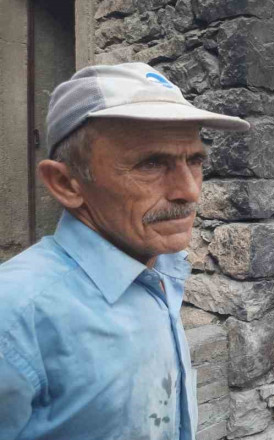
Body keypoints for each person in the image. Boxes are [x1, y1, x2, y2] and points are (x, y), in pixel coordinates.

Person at [0, 63, 249, 439]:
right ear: (66, 183)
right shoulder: (16, 314)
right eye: (151, 163)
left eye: (195, 160)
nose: (190, 191)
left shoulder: (159, 269)